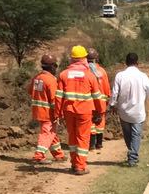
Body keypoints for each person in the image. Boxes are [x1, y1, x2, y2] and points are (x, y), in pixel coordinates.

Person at [58, 45, 101, 175]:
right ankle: (80, 166)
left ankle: (73, 163)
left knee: (72, 137)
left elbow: (58, 97)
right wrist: (99, 111)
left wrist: (58, 113)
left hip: (69, 111)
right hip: (85, 112)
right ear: (84, 59)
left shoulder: (63, 75)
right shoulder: (90, 75)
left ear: (72, 58)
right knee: (83, 138)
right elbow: (97, 96)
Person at [109, 52, 149, 167]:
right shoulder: (143, 76)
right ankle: (132, 158)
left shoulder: (120, 76)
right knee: (136, 134)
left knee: (128, 134)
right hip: (138, 111)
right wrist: (142, 98)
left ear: (125, 63)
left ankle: (132, 153)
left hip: (124, 111)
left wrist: (113, 104)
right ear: (138, 63)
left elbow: (115, 93)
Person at [29, 54, 65, 164]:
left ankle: (58, 155)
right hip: (48, 112)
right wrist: (58, 113)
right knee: (47, 133)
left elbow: (30, 91)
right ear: (52, 67)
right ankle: (39, 156)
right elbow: (55, 100)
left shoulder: (37, 77)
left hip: (38, 111)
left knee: (51, 133)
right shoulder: (51, 80)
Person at [86, 48, 112, 151]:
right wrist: (107, 99)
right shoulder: (101, 71)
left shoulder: (85, 71)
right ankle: (99, 144)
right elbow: (106, 88)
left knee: (90, 122)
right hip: (101, 101)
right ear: (96, 58)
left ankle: (91, 145)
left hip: (89, 102)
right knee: (100, 122)